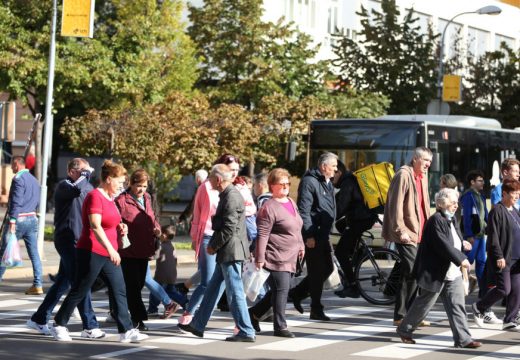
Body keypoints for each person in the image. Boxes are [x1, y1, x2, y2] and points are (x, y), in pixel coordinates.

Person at [49, 160, 147, 343]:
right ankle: (59, 324)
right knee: (80, 289)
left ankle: (126, 330)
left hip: (108, 252)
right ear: (109, 179)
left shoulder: (110, 198)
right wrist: (111, 249)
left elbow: (109, 221)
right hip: (91, 250)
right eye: (119, 181)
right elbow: (95, 226)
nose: (122, 185)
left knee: (119, 289)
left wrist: (120, 227)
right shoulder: (95, 196)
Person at [26, 158, 104, 338]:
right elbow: (77, 189)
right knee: (80, 281)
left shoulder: (87, 188)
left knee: (64, 282)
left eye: (87, 172)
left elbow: (94, 202)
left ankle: (39, 318)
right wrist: (85, 174)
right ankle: (90, 325)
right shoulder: (64, 186)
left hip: (81, 241)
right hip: (67, 240)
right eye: (83, 172)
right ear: (72, 172)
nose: (87, 175)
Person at [178, 164, 255, 342]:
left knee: (235, 291)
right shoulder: (228, 194)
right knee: (213, 287)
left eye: (211, 177)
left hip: (230, 250)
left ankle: (246, 330)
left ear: (218, 179)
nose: (209, 180)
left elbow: (228, 228)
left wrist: (213, 246)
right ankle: (198, 324)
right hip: (228, 250)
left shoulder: (231, 196)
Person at [396, 188, 482, 349]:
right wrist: (461, 259)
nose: (456, 205)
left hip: (452, 272)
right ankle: (404, 329)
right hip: (435, 272)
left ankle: (463, 339)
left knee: (457, 306)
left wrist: (462, 244)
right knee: (424, 305)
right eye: (452, 202)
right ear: (442, 203)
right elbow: (442, 244)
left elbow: (453, 239)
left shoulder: (452, 219)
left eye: (457, 202)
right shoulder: (436, 220)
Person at [248, 168, 305, 338]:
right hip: (276, 255)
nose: (286, 187)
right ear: (272, 186)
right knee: (282, 290)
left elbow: (297, 226)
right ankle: (280, 326)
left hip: (291, 255)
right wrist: (260, 257)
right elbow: (262, 234)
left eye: (288, 183)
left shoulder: (290, 202)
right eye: (282, 184)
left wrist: (301, 245)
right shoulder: (269, 207)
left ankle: (253, 315)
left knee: (278, 290)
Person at [115, 169, 172, 331]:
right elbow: (115, 221)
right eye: (138, 185)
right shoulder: (122, 200)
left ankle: (120, 312)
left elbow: (153, 218)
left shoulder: (147, 198)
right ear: (131, 184)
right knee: (133, 287)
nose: (141, 189)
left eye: (145, 186)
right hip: (128, 250)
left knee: (138, 285)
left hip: (145, 249)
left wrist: (157, 229)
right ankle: (138, 320)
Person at [382, 147, 432, 326]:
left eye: (429, 161)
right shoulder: (403, 175)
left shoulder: (423, 177)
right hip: (406, 232)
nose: (428, 164)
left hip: (419, 233)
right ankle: (405, 314)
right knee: (413, 270)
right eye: (425, 160)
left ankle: (403, 315)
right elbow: (395, 205)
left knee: (409, 273)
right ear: (415, 159)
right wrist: (400, 229)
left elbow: (424, 206)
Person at [289, 152, 338, 321]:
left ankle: (296, 293)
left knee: (328, 269)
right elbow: (304, 210)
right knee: (317, 272)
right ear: (324, 166)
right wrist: (309, 235)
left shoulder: (327, 183)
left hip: (323, 233)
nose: (336, 169)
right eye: (333, 166)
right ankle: (316, 308)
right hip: (313, 234)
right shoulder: (310, 182)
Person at [473, 179, 520, 331]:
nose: (517, 196)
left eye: (519, 193)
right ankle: (479, 306)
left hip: (517, 258)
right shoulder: (497, 211)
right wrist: (499, 256)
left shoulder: (515, 211)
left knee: (516, 289)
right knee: (504, 289)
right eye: (514, 193)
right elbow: (493, 237)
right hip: (504, 258)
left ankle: (510, 320)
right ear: (504, 193)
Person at [177, 161, 221, 326]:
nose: (233, 173)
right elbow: (196, 212)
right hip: (208, 236)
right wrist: (195, 239)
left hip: (225, 239)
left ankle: (203, 314)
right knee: (207, 279)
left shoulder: (236, 188)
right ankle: (189, 312)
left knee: (222, 281)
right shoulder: (205, 188)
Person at [333, 160, 378, 298]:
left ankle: (353, 286)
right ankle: (357, 253)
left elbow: (341, 207)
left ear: (339, 172)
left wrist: (326, 219)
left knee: (340, 252)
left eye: (332, 175)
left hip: (361, 220)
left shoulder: (348, 182)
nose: (330, 178)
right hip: (363, 218)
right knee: (340, 227)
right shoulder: (351, 180)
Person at [0, 156, 42, 294]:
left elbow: (16, 201)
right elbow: (37, 200)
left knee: (4, 252)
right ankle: (38, 284)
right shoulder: (35, 180)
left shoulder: (18, 179)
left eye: (12, 165)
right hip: (32, 218)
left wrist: (12, 221)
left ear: (17, 165)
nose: (11, 168)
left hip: (18, 220)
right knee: (34, 253)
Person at [460, 170, 491, 302]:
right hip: (473, 235)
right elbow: (466, 216)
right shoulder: (468, 196)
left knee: (482, 262)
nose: (482, 182)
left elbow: (485, 215)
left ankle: (483, 292)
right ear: (472, 182)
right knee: (467, 261)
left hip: (481, 234)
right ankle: (458, 286)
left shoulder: (481, 196)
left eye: (483, 180)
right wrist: (469, 234)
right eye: (479, 180)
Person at [148, 225, 183, 316]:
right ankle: (185, 302)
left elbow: (155, 256)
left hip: (161, 276)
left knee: (155, 292)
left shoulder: (161, 245)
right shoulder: (172, 246)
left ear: (163, 235)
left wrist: (148, 257)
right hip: (172, 276)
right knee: (171, 292)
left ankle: (152, 309)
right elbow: (175, 259)